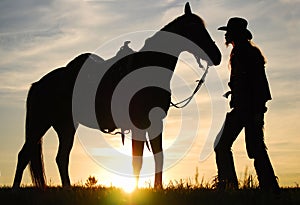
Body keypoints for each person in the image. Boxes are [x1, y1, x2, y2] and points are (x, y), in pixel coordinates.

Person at [214, 17, 280, 193]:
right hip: (247, 108)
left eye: (228, 32)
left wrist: (256, 108)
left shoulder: (244, 54)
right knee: (255, 149)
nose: (226, 35)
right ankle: (269, 188)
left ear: (235, 34)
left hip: (248, 109)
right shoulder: (246, 52)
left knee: (225, 145)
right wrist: (234, 92)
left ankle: (229, 186)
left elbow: (256, 84)